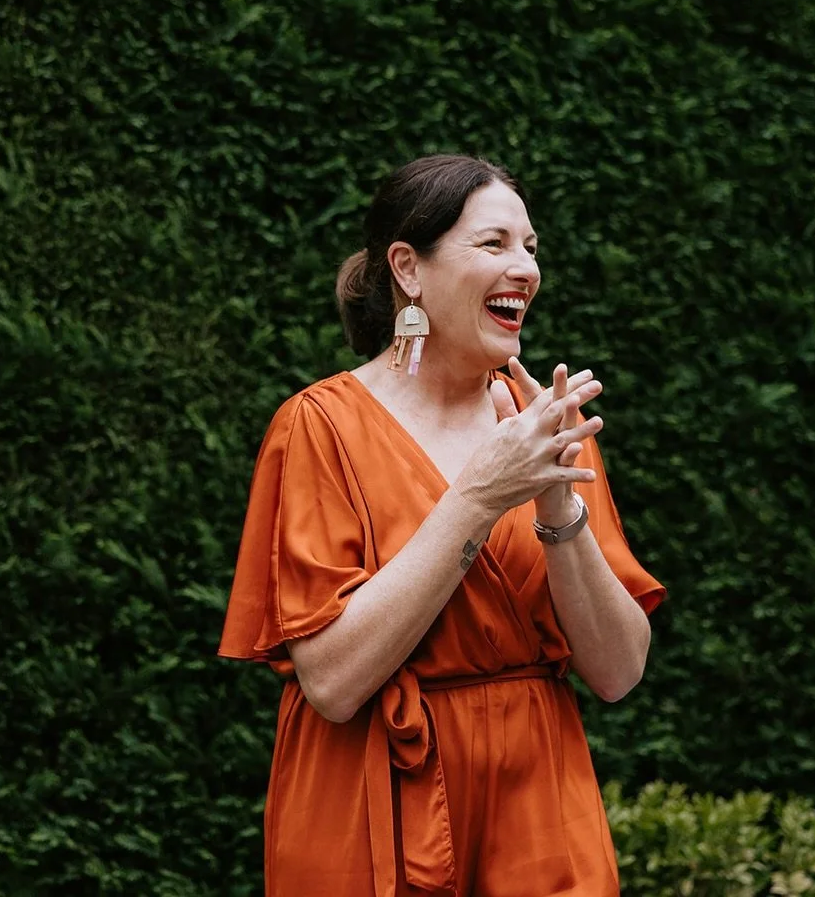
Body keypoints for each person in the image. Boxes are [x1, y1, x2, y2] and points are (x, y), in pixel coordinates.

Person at [219, 154, 666, 896]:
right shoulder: (319, 428)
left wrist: (556, 504)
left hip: (539, 811)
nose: (524, 268)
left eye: (531, 248)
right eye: (493, 245)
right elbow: (331, 681)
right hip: (370, 803)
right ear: (408, 268)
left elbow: (618, 672)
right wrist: (481, 496)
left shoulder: (543, 429)